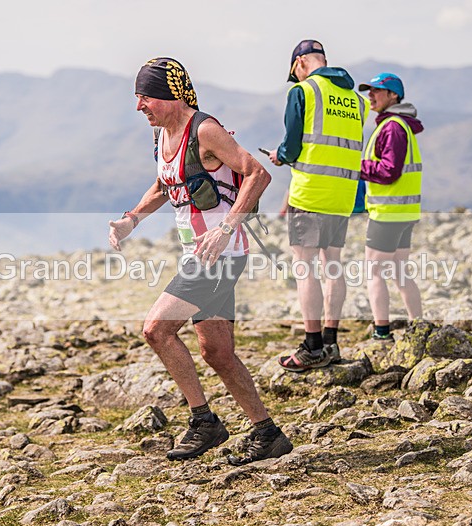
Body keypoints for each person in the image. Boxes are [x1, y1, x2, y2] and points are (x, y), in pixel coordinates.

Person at [109, 57, 293, 465]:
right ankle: (268, 434)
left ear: (171, 95)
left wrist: (226, 227)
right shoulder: (163, 135)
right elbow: (164, 183)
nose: (139, 106)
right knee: (217, 353)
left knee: (156, 330)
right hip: (203, 253)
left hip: (219, 255)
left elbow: (257, 174)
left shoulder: (204, 130)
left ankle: (203, 421)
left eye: (145, 97)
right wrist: (131, 220)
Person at [268, 40, 369, 372]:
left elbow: (292, 143)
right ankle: (331, 341)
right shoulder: (356, 100)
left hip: (311, 193)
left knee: (304, 267)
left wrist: (279, 157)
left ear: (299, 64)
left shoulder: (304, 91)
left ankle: (312, 346)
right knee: (333, 264)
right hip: (343, 194)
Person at [357, 73, 424, 340]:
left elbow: (388, 171)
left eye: (377, 91)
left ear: (393, 95)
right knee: (399, 271)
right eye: (369, 91)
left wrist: (356, 165)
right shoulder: (399, 125)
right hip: (404, 212)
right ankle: (419, 326)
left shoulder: (393, 127)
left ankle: (382, 332)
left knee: (374, 272)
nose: (370, 95)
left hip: (387, 213)